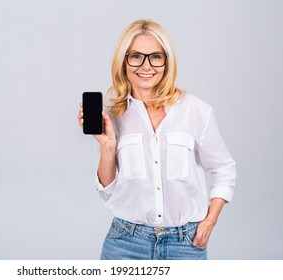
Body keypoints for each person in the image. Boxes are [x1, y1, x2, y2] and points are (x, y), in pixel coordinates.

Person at [78, 19, 236, 260]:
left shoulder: (196, 111)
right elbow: (108, 191)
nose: (146, 65)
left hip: (185, 244)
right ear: (124, 62)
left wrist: (209, 221)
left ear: (166, 62)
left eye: (155, 57)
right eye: (136, 56)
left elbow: (224, 169)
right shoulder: (114, 116)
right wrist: (107, 145)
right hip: (125, 243)